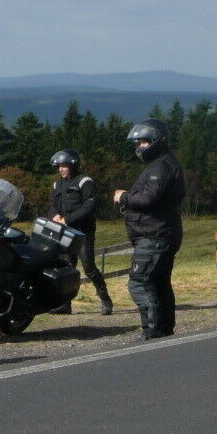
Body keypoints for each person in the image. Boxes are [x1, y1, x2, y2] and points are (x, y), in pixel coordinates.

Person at [114, 119, 185, 339]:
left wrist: (123, 197)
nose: (141, 147)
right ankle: (164, 329)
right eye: (140, 142)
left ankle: (152, 328)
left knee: (140, 280)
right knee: (159, 282)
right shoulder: (163, 163)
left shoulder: (161, 166)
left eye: (145, 142)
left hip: (155, 234)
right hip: (160, 232)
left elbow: (148, 198)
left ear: (157, 141)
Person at [49, 149, 113, 315]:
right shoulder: (57, 184)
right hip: (65, 232)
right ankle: (65, 304)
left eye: (63, 166)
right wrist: (55, 215)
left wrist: (68, 219)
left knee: (89, 267)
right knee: (66, 267)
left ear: (73, 165)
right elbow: (53, 205)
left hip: (83, 232)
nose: (60, 169)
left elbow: (89, 206)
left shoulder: (85, 181)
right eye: (59, 166)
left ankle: (105, 299)